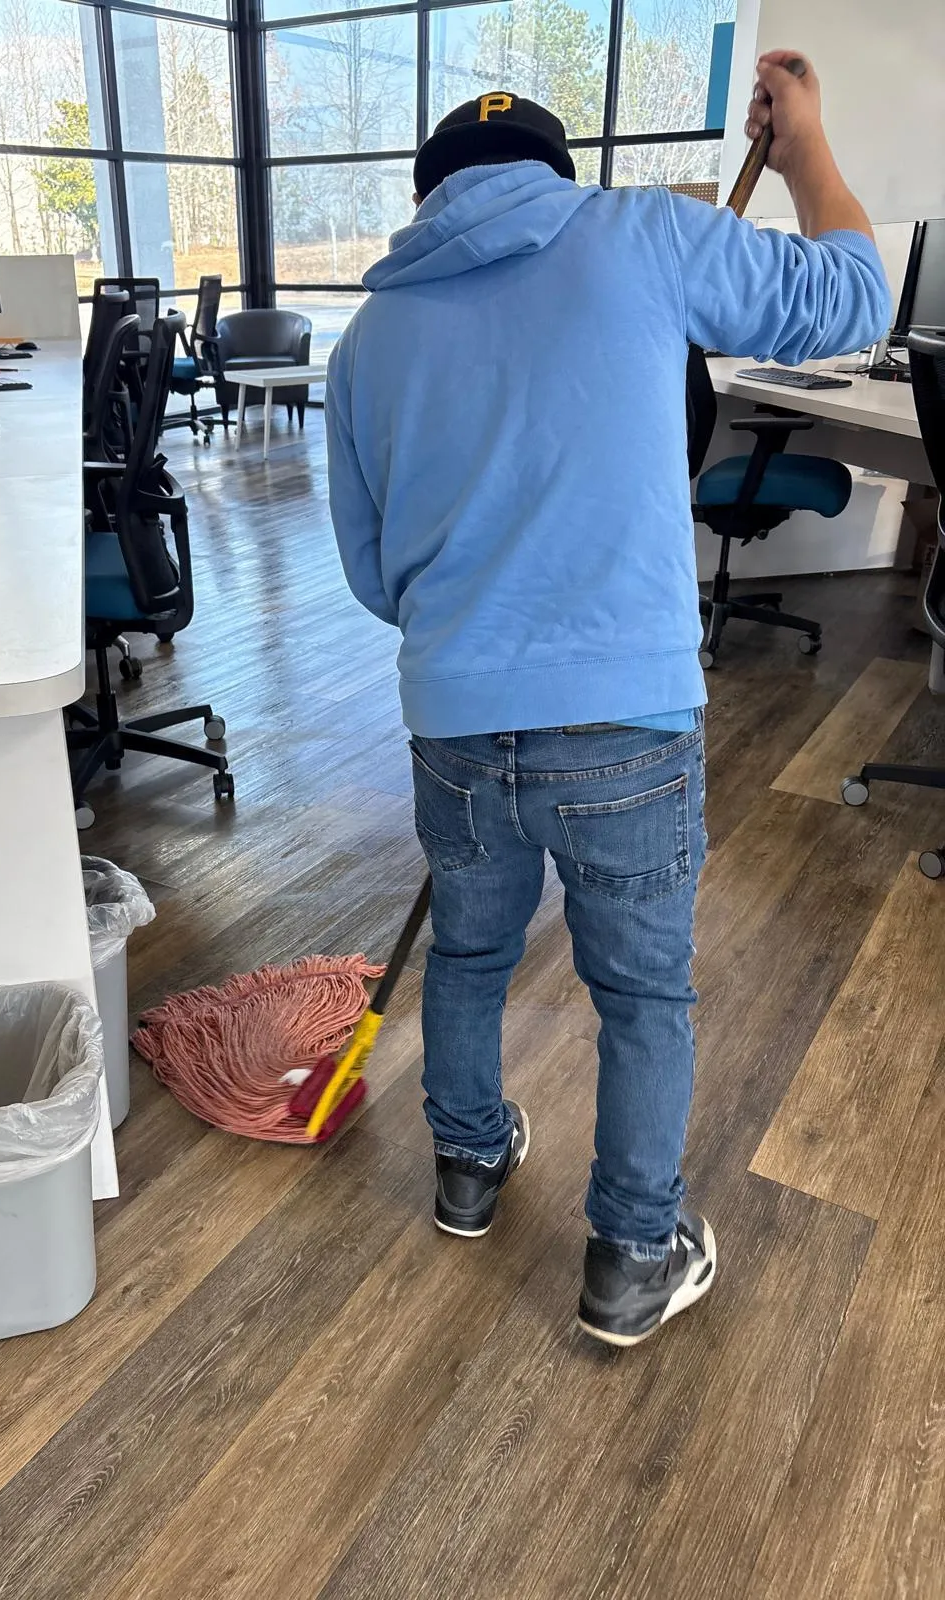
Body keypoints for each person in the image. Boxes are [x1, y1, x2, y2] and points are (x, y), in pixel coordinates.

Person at [325, 54, 888, 1347]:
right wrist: (803, 149)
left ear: (428, 200)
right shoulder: (642, 237)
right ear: (552, 175)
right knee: (641, 996)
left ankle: (468, 1168)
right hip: (626, 717)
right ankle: (632, 1255)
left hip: (455, 718)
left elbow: (368, 567)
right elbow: (853, 296)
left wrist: (475, 638)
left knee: (470, 955)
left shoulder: (368, 339)